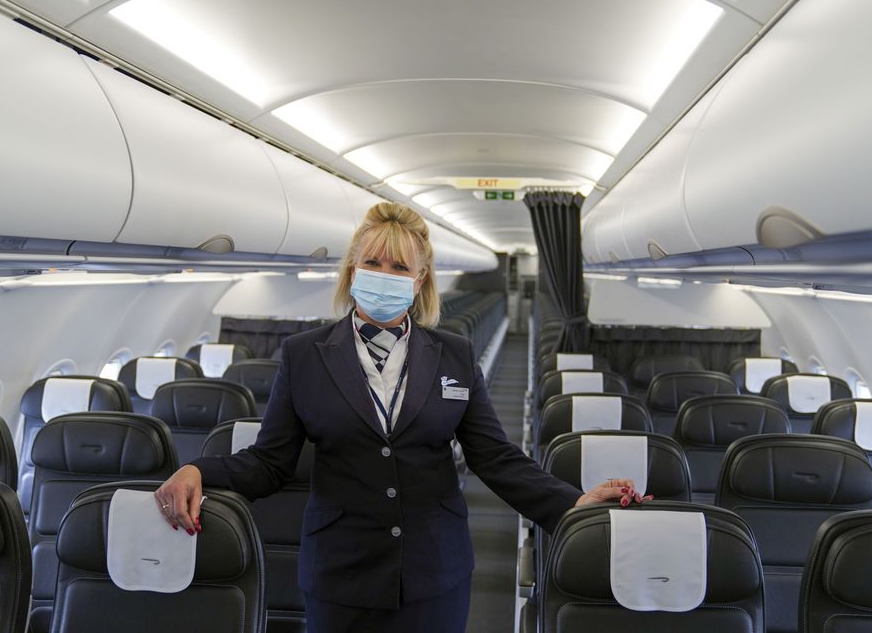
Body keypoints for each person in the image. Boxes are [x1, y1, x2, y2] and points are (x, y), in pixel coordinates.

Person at [154, 202, 644, 632]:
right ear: (352, 269)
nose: (383, 274)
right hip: (340, 573)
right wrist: (200, 469)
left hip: (435, 571)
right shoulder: (305, 355)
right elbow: (270, 462)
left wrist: (573, 502)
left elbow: (496, 458)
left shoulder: (454, 355)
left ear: (420, 279)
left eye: (399, 266)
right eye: (372, 262)